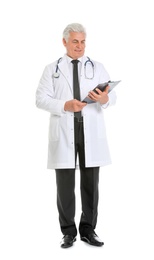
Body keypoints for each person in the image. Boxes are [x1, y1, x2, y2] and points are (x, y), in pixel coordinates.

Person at [36, 23, 117, 248]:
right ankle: (68, 232)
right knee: (64, 185)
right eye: (75, 41)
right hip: (64, 130)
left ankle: (88, 229)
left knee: (91, 183)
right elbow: (40, 99)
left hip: (90, 131)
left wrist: (104, 99)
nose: (79, 46)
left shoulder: (97, 67)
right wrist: (65, 105)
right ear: (64, 42)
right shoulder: (51, 68)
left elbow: (112, 97)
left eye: (82, 41)